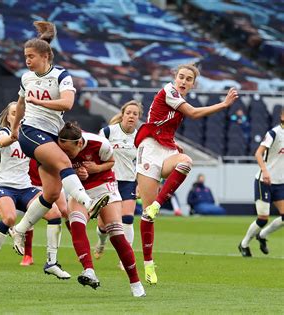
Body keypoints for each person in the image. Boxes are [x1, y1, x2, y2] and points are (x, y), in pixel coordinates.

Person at [8, 21, 109, 256]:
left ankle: (20, 229)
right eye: (25, 57)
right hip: (30, 132)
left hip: (52, 134)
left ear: (45, 56)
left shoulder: (61, 76)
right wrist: (14, 129)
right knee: (64, 163)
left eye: (31, 56)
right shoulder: (26, 78)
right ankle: (88, 202)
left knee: (52, 194)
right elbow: (22, 105)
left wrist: (40, 102)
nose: (27, 61)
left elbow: (67, 103)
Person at [134, 64, 239, 284]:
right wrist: (225, 104)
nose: (183, 81)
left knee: (186, 162)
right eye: (181, 77)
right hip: (150, 148)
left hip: (168, 148)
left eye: (188, 79)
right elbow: (193, 113)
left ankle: (157, 204)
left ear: (193, 84)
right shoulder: (168, 91)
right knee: (146, 216)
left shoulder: (178, 96)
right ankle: (149, 264)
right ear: (175, 78)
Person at [0, 102, 70, 279]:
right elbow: (2, 141)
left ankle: (52, 262)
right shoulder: (5, 132)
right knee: (9, 218)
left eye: (20, 113)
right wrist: (15, 136)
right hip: (4, 187)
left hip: (26, 187)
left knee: (55, 214)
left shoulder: (30, 137)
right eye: (13, 113)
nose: (17, 115)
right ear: (9, 117)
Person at [57, 121, 145, 297]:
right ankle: (89, 270)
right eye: (62, 150)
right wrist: (76, 174)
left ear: (79, 143)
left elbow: (111, 162)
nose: (65, 154)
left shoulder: (100, 143)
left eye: (68, 151)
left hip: (104, 186)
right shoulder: (57, 146)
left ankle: (136, 283)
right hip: (79, 188)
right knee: (76, 224)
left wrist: (96, 168)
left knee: (117, 235)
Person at [93, 100, 142, 267]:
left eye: (135, 114)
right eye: (129, 113)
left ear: (138, 118)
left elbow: (143, 162)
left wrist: (140, 183)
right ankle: (101, 243)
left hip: (128, 182)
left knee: (127, 218)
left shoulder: (140, 137)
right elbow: (95, 152)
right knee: (104, 225)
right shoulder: (108, 132)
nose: (131, 116)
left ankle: (125, 258)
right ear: (123, 114)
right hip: (108, 181)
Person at [239, 108, 284, 257]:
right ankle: (244, 244)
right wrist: (265, 171)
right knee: (263, 218)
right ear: (282, 116)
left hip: (280, 182)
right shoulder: (274, 133)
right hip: (264, 181)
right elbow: (258, 153)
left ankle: (262, 235)